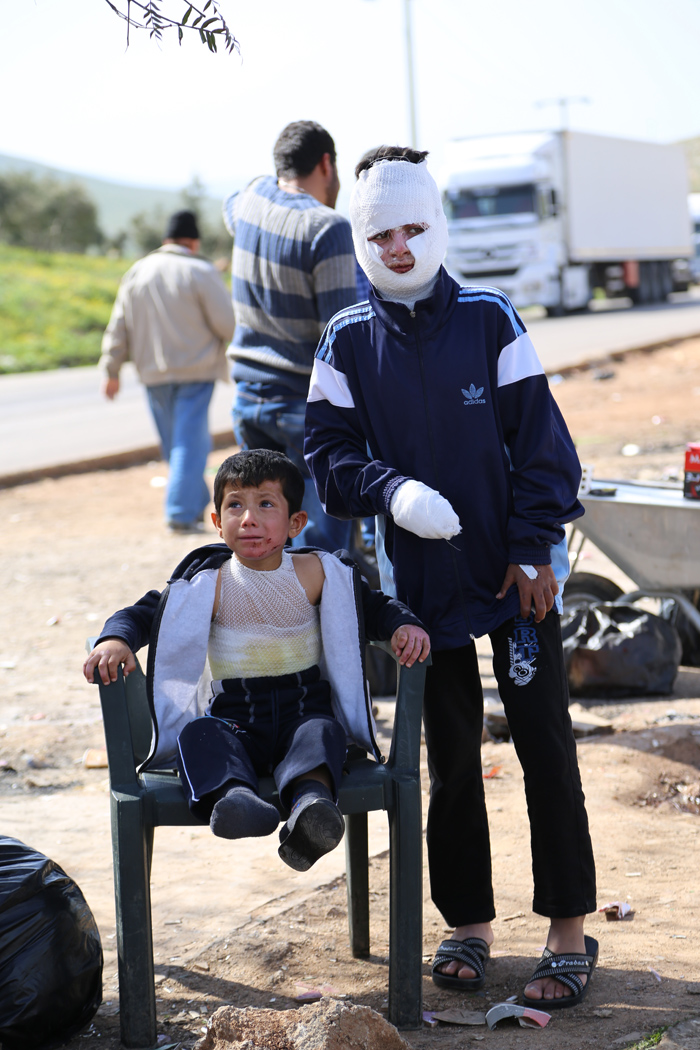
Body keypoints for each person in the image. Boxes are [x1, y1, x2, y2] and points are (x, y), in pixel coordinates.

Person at [304, 148, 599, 1006]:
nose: (398, 248)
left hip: (514, 582)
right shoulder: (345, 340)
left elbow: (544, 447)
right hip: (422, 594)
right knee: (452, 758)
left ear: (437, 226)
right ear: (362, 241)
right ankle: (468, 923)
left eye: (412, 229)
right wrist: (393, 492)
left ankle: (568, 929)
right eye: (380, 235)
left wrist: (534, 549)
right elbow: (328, 458)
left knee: (545, 747)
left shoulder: (489, 319)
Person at [83, 449, 429, 871]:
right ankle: (236, 799)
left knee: (323, 734)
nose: (249, 519)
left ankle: (310, 809)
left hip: (304, 709)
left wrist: (402, 625)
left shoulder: (317, 573)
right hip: (235, 716)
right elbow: (143, 614)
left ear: (295, 523)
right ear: (217, 521)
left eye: (266, 504)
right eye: (235, 505)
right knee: (199, 735)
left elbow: (373, 607)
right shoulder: (207, 582)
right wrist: (115, 638)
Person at [222, 121, 357, 552]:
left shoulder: (249, 199)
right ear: (326, 164)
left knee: (264, 541)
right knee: (319, 553)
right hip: (304, 407)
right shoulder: (328, 228)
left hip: (248, 399)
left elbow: (230, 205)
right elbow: (339, 336)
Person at [100, 209, 235, 532]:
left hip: (152, 374)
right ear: (193, 242)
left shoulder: (137, 271)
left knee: (174, 444)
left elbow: (118, 325)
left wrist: (111, 369)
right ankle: (180, 513)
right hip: (196, 371)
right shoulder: (200, 271)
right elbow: (228, 324)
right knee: (190, 445)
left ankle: (193, 504)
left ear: (165, 239)